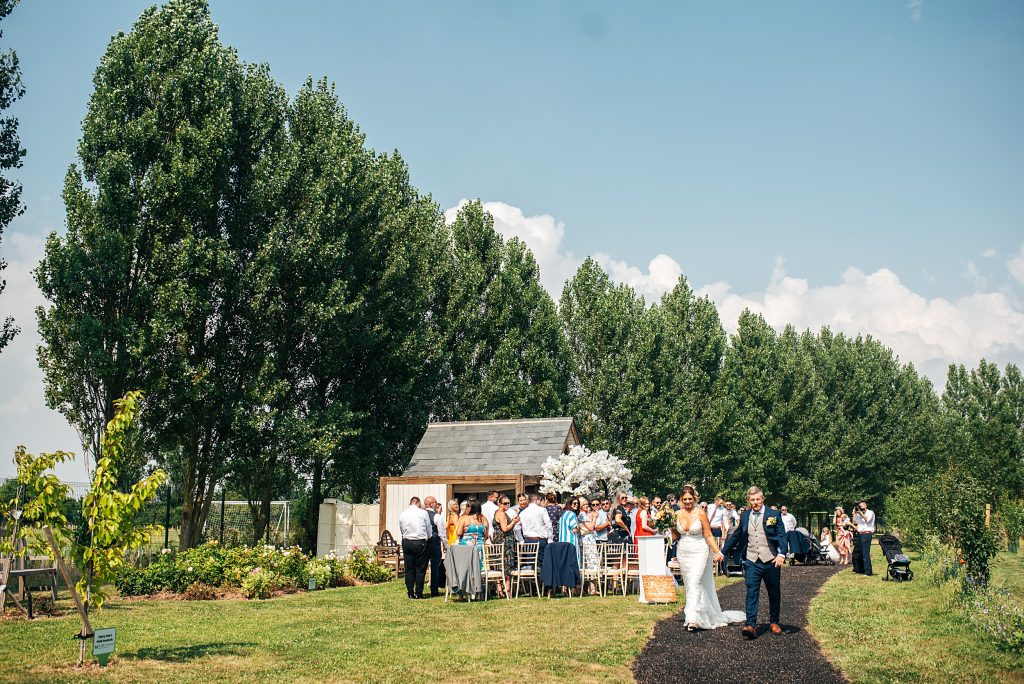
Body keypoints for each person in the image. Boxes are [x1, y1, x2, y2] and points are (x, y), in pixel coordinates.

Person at [721, 485, 789, 639]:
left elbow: (782, 536)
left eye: (758, 499)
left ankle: (774, 621)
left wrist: (781, 554)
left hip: (771, 559)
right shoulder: (745, 516)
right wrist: (722, 552)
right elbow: (737, 535)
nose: (756, 502)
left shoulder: (774, 514)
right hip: (752, 560)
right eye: (752, 500)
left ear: (763, 499)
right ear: (749, 501)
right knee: (752, 591)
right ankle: (751, 624)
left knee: (774, 592)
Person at [674, 484, 745, 631]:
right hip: (683, 551)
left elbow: (708, 535)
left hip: (700, 550)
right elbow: (675, 536)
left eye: (690, 499)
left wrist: (718, 552)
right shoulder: (676, 514)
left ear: (694, 498)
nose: (687, 502)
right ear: (681, 499)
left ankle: (692, 618)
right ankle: (700, 613)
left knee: (694, 582)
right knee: (689, 584)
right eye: (685, 499)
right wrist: (666, 525)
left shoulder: (700, 513)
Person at [398, 497, 432, 599]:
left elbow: (401, 528)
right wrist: (428, 537)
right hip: (420, 541)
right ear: (418, 503)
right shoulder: (423, 513)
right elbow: (428, 529)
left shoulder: (403, 513)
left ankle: (410, 592)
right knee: (420, 569)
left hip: (407, 541)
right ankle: (418, 593)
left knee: (409, 568)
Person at [491, 496, 519, 597]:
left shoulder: (497, 512)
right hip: (505, 542)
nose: (507, 505)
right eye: (505, 503)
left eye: (508, 503)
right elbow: (505, 528)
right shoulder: (501, 514)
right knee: (506, 565)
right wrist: (514, 522)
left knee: (499, 564)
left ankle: (500, 589)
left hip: (500, 541)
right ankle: (508, 590)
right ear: (500, 504)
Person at [519, 493, 554, 568]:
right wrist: (550, 538)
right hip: (540, 540)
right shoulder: (542, 510)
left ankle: (531, 579)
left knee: (529, 562)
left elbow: (517, 527)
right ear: (537, 500)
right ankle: (543, 579)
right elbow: (548, 524)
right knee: (543, 562)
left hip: (528, 540)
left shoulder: (523, 512)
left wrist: (520, 539)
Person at [423, 496, 445, 597]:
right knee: (435, 566)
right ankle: (434, 590)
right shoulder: (437, 516)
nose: (437, 503)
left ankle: (419, 590)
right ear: (432, 504)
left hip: (423, 542)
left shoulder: (421, 514)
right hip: (435, 543)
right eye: (435, 502)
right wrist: (446, 544)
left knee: (421, 567)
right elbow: (441, 533)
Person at [577, 498, 599, 593]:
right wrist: (594, 518)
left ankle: (592, 587)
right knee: (591, 562)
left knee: (592, 562)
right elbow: (590, 527)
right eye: (584, 504)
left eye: (587, 504)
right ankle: (591, 588)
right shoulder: (582, 515)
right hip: (587, 541)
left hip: (589, 539)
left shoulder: (585, 515)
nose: (586, 506)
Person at [853, 500, 875, 576]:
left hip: (866, 534)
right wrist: (855, 514)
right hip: (860, 534)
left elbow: (867, 520)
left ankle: (868, 572)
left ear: (866, 505)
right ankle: (860, 569)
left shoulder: (870, 512)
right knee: (858, 553)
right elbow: (855, 522)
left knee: (865, 554)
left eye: (862, 505)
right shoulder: (859, 514)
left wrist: (861, 513)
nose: (861, 507)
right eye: (859, 506)